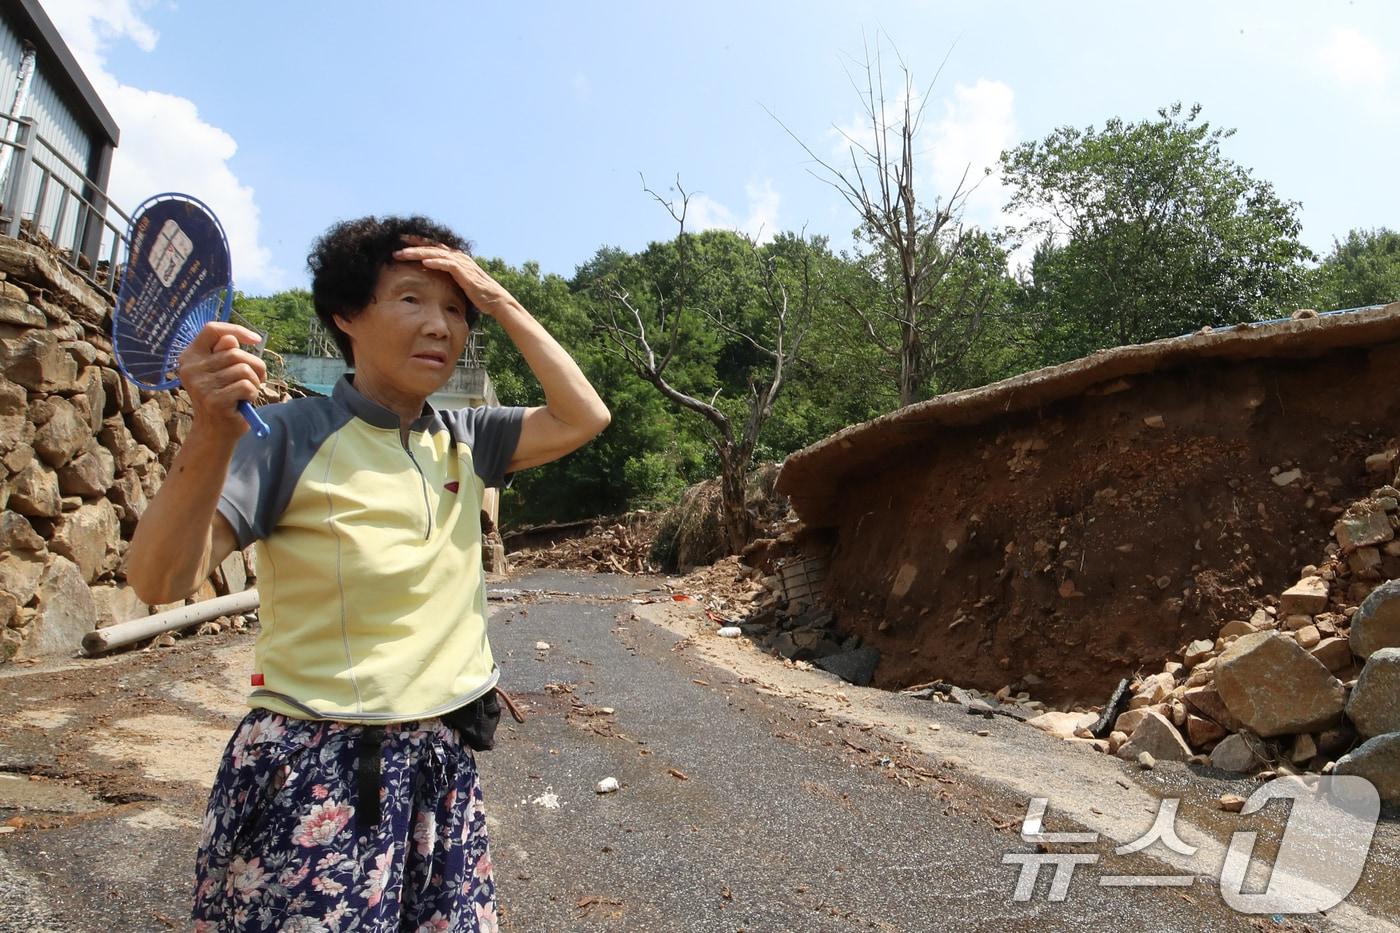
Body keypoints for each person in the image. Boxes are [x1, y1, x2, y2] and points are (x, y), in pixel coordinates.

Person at [125, 215, 610, 932]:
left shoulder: (467, 439)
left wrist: (498, 299)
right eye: (411, 299)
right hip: (317, 769)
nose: (440, 325)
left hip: (441, 765)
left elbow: (584, 414)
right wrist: (213, 429)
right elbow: (160, 581)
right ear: (345, 315)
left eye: (456, 310)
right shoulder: (290, 436)